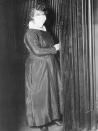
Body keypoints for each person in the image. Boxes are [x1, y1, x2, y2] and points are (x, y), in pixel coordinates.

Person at [24, 2, 63, 131]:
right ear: (33, 17)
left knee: (52, 91)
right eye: (39, 15)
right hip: (37, 68)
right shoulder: (30, 33)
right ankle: (42, 121)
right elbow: (37, 51)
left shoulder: (45, 30)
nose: (43, 18)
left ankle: (54, 116)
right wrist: (55, 48)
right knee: (40, 94)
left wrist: (55, 48)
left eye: (44, 15)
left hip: (50, 65)